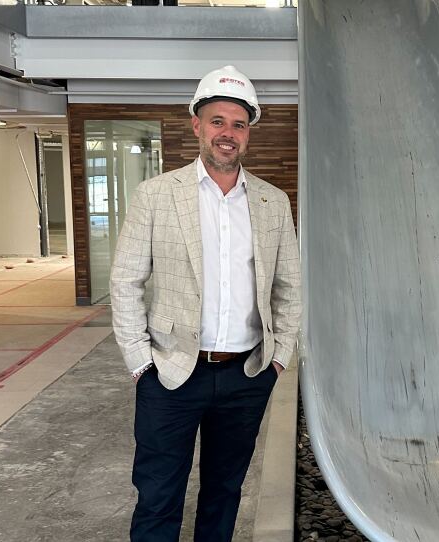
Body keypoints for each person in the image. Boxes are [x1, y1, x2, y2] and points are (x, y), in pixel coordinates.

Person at [110, 65, 301, 542]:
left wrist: (279, 358)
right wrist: (139, 361)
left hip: (245, 376)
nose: (227, 134)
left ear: (248, 132)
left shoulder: (272, 202)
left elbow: (289, 286)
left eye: (238, 125)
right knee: (158, 494)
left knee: (225, 491)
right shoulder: (155, 196)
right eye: (217, 121)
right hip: (171, 373)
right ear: (197, 125)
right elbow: (126, 280)